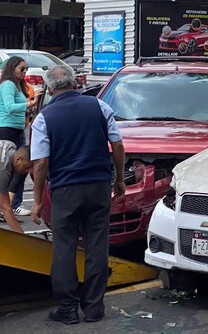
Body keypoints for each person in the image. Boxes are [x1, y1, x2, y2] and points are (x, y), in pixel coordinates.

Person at [31, 65, 126, 324]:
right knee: (97, 246)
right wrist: (118, 178)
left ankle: (68, 308)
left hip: (65, 189)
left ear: (50, 90)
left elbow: (40, 163)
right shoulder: (99, 106)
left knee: (65, 248)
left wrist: (38, 201)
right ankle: (94, 308)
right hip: (98, 186)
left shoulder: (44, 117)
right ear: (75, 84)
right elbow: (117, 144)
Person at [0, 56, 40, 216]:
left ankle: (13, 203)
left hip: (18, 129)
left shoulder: (19, 86)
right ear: (12, 68)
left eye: (26, 69)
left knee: (22, 167)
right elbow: (9, 107)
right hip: (6, 130)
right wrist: (29, 103)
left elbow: (20, 109)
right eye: (21, 69)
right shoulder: (8, 85)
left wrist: (31, 108)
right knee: (7, 169)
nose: (24, 72)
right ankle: (7, 206)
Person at [0, 140, 31, 232]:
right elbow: (5, 208)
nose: (26, 171)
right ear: (18, 159)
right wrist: (22, 235)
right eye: (26, 167)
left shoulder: (10, 145)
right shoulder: (3, 171)